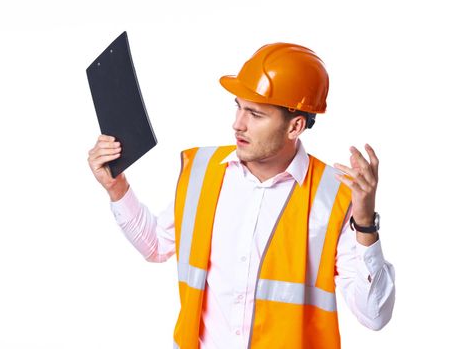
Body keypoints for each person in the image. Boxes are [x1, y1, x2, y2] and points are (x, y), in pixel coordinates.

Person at [87, 43, 395, 349]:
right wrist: (117, 188)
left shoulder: (336, 197)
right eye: (238, 106)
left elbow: (375, 315)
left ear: (295, 126)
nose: (238, 124)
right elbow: (156, 245)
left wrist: (365, 223)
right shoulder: (202, 173)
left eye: (255, 114)